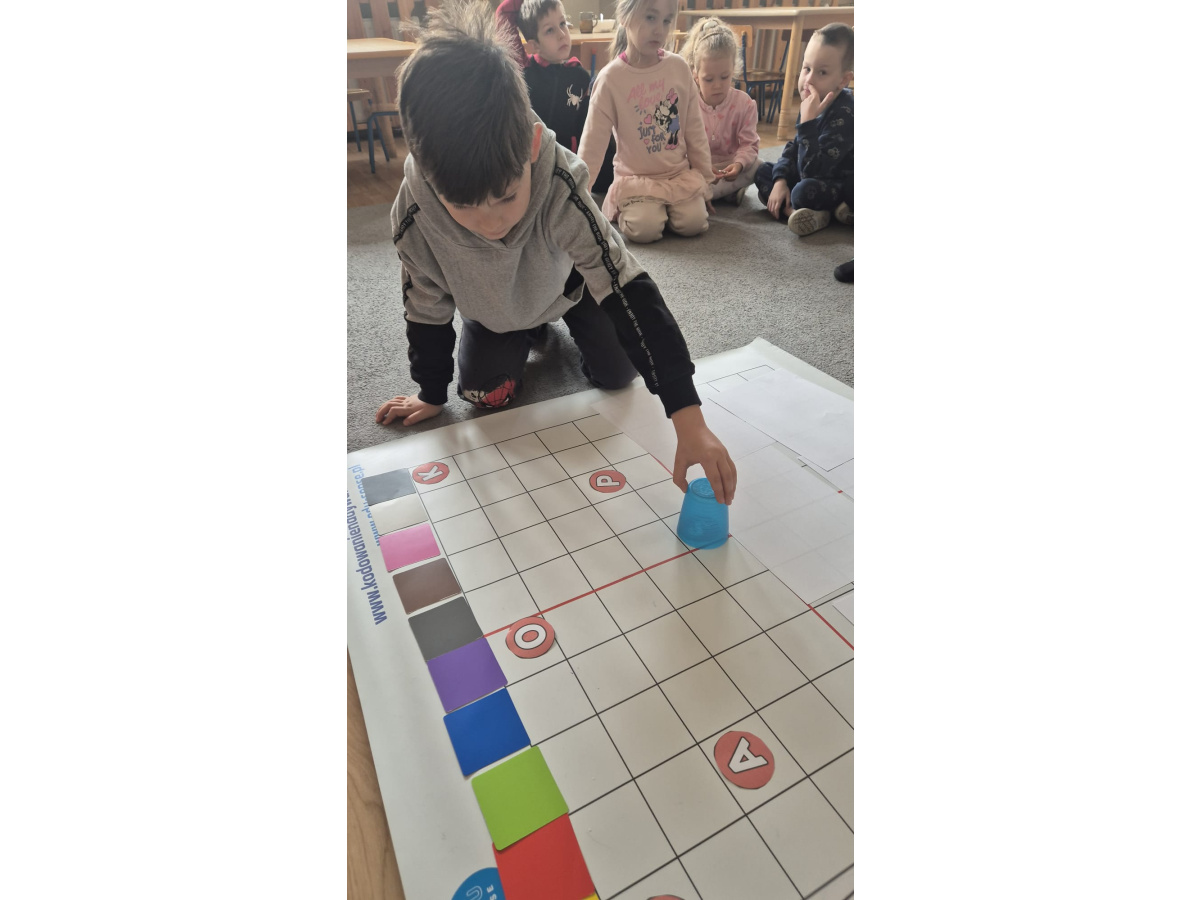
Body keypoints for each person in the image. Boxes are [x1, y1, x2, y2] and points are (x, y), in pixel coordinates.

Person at [375, 0, 737, 504]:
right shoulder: (415, 212)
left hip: (570, 289)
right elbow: (424, 306)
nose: (492, 224)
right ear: (427, 175)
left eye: (506, 197)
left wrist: (688, 416)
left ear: (531, 146)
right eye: (464, 207)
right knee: (482, 396)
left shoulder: (559, 179)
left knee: (619, 374)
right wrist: (431, 392)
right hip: (492, 311)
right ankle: (523, 330)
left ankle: (556, 324)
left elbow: (626, 282)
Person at [577, 0, 712, 243]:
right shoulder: (610, 79)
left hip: (677, 175)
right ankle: (640, 210)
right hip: (635, 180)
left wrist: (705, 181)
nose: (659, 29)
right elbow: (592, 146)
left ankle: (670, 209)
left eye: (666, 20)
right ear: (625, 18)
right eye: (650, 18)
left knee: (694, 222)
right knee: (644, 228)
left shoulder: (679, 68)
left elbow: (695, 131)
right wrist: (579, 197)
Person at [495, 0, 617, 188]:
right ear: (534, 45)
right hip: (533, 169)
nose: (561, 34)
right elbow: (504, 14)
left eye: (562, 24)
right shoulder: (524, 70)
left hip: (568, 168)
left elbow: (589, 127)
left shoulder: (579, 76)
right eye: (549, 30)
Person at [753, 22, 853, 236]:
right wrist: (780, 181)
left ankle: (800, 209)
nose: (808, 80)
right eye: (806, 68)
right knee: (762, 170)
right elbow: (795, 146)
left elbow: (813, 172)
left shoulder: (845, 113)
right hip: (810, 169)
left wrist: (808, 123)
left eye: (822, 72)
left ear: (843, 80)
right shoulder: (812, 99)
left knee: (802, 191)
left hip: (835, 182)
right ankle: (805, 212)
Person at [679, 16, 762, 206]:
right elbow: (680, 148)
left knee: (759, 166)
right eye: (709, 79)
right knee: (680, 177)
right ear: (695, 75)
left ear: (733, 70)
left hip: (730, 166)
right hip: (698, 168)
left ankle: (710, 194)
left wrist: (739, 165)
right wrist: (702, 167)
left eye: (724, 77)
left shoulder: (745, 104)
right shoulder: (687, 105)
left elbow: (749, 144)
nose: (717, 85)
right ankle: (724, 193)